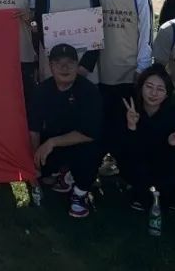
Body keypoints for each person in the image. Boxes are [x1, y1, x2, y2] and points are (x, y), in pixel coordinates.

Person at [96, 0, 154, 176]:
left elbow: (146, 31)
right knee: (104, 120)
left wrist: (142, 67)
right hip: (101, 71)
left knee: (126, 121)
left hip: (129, 72)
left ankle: (125, 165)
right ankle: (102, 160)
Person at [28, 44, 103, 218]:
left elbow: (90, 133)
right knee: (44, 174)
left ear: (77, 66)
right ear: (50, 66)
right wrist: (34, 161)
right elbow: (34, 130)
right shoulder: (41, 91)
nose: (64, 67)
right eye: (58, 63)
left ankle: (80, 193)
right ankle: (62, 173)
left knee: (92, 151)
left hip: (81, 143)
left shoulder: (89, 91)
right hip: (53, 145)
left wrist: (52, 142)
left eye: (70, 63)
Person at [119, 65, 175, 212]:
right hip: (138, 164)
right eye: (149, 87)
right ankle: (137, 190)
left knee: (166, 194)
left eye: (160, 89)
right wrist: (132, 126)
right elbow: (125, 151)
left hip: (163, 164)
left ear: (167, 94)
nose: (153, 93)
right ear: (141, 88)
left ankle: (168, 193)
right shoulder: (130, 110)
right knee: (138, 177)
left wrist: (171, 144)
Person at [33, 0, 100, 81]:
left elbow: (97, 33)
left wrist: (85, 66)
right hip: (54, 70)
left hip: (85, 71)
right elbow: (42, 33)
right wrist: (60, 65)